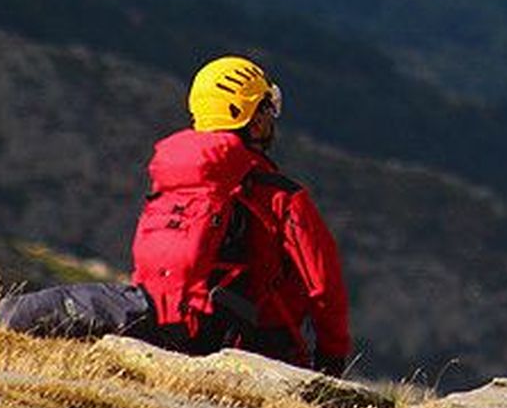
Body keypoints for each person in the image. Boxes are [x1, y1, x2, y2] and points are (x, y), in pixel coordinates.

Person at [130, 56, 353, 376]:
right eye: (267, 107)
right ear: (254, 119)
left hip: (170, 334)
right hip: (258, 350)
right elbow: (325, 286)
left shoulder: (175, 181)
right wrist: (331, 360)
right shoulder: (281, 197)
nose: (271, 118)